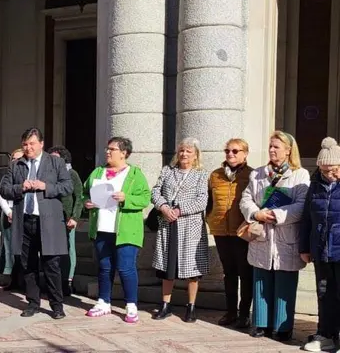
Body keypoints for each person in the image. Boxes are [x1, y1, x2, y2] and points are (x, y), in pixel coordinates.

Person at [241, 131, 310, 341]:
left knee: (284, 284)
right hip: (262, 236)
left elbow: (302, 205)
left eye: (276, 147)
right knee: (261, 281)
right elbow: (246, 199)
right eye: (270, 146)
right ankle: (261, 324)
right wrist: (255, 213)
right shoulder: (258, 174)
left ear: (288, 151)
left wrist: (276, 215)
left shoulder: (301, 174)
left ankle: (283, 326)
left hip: (286, 237)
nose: (271, 150)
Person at [0, 127, 72, 320]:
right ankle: (33, 302)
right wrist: (20, 187)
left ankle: (57, 305)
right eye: (25, 144)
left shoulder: (55, 162)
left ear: (41, 144)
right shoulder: (16, 165)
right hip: (24, 220)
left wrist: (45, 186)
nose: (28, 148)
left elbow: (67, 186)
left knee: (51, 265)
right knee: (27, 265)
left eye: (32, 143)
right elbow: (4, 189)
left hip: (48, 221)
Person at [82, 137, 151, 323]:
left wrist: (126, 198)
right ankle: (104, 302)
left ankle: (131, 305)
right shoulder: (98, 172)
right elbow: (84, 192)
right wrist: (86, 203)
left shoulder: (135, 174)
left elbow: (145, 198)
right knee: (104, 267)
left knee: (126, 268)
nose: (107, 152)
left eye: (112, 149)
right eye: (107, 148)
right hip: (102, 228)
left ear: (124, 153)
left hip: (126, 230)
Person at [151, 137, 209, 323]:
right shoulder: (168, 171)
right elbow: (155, 192)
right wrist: (164, 208)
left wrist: (179, 210)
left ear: (195, 155)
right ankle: (165, 305)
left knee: (191, 268)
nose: (184, 154)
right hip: (168, 224)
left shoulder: (201, 174)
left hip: (190, 227)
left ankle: (191, 306)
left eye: (188, 151)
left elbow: (202, 201)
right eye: (182, 151)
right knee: (168, 266)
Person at [207, 138, 253, 328]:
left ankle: (244, 314)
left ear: (245, 154)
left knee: (245, 272)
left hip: (241, 230)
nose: (230, 154)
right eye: (227, 151)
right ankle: (231, 312)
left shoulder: (252, 174)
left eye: (235, 151)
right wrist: (209, 218)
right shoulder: (216, 175)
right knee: (229, 273)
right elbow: (209, 200)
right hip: (220, 229)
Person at [300, 137, 340, 352]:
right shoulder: (315, 186)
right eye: (325, 171)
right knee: (325, 294)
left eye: (334, 170)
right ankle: (325, 335)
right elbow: (307, 218)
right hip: (321, 249)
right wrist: (304, 247)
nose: (329, 175)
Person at [48, 145, 84, 296]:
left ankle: (67, 280)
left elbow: (79, 196)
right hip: (51, 217)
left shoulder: (71, 174)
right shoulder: (47, 174)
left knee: (68, 250)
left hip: (67, 218)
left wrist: (75, 217)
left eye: (55, 158)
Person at [0, 149, 24, 291]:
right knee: (10, 247)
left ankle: (24, 280)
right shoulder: (7, 176)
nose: (15, 161)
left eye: (19, 159)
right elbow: (1, 195)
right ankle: (12, 278)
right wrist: (8, 211)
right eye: (13, 158)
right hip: (9, 213)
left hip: (23, 214)